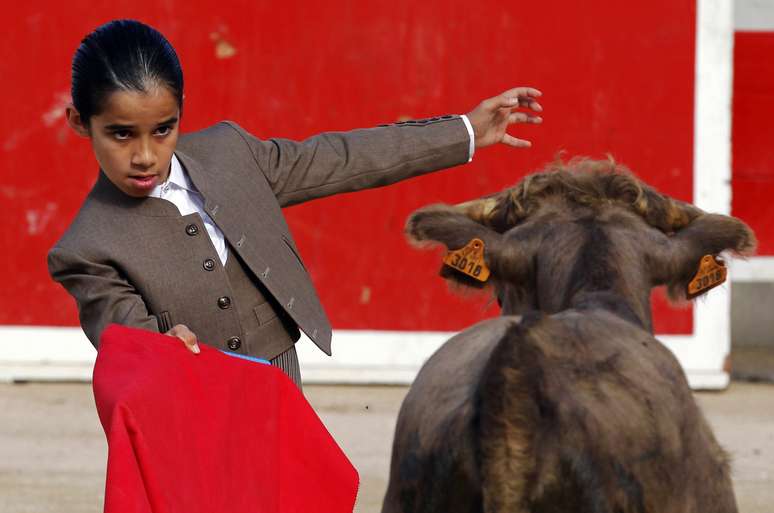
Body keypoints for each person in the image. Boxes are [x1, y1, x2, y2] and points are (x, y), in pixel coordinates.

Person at [48, 19, 543, 388]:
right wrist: (162, 347)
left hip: (281, 383)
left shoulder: (230, 153)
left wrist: (466, 131)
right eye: (120, 134)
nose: (144, 155)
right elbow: (123, 332)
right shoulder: (86, 247)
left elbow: (343, 158)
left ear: (180, 113)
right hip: (187, 409)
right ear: (78, 122)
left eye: (163, 129)